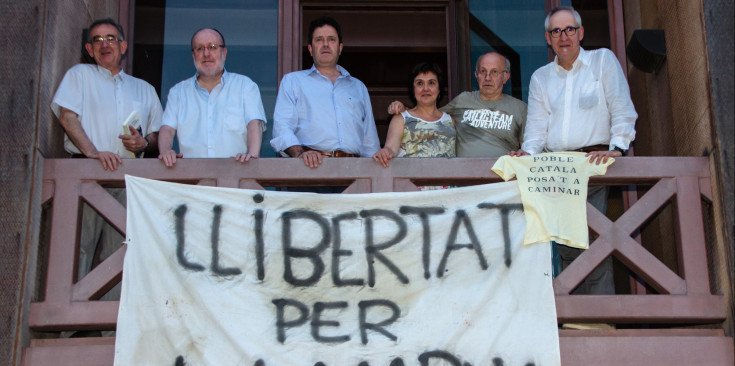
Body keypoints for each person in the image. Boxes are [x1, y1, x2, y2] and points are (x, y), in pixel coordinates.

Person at [510, 6, 638, 296]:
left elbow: (621, 106)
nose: (563, 36)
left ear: (580, 33)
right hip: (556, 170)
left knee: (595, 242)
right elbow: (537, 128)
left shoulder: (602, 60)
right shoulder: (541, 77)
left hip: (592, 164)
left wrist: (617, 147)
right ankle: (577, 321)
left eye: (569, 29)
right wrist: (527, 154)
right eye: (556, 31)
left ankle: (600, 321)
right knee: (567, 247)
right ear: (547, 38)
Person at [51, 18, 163, 297]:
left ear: (123, 46)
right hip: (87, 174)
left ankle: (110, 327)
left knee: (122, 250)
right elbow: (67, 117)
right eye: (97, 40)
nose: (104, 44)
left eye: (110, 38)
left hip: (128, 179)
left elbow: (158, 135)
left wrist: (142, 142)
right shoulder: (79, 75)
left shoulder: (144, 88)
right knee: (78, 246)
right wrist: (92, 152)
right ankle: (69, 328)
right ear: (89, 49)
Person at [270, 16, 380, 169]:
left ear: (340, 48)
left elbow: (370, 141)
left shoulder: (358, 87)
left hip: (355, 172)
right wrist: (301, 154)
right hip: (309, 169)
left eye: (331, 39)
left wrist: (374, 176)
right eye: (319, 40)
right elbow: (282, 127)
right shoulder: (293, 81)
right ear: (310, 49)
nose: (326, 44)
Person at [158, 28, 266, 167]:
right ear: (193, 55)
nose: (206, 54)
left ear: (224, 53)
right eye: (199, 48)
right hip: (192, 181)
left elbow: (254, 124)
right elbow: (167, 129)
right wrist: (166, 151)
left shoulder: (245, 86)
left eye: (213, 47)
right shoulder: (178, 93)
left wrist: (252, 157)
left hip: (236, 178)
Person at [388, 52, 526, 158]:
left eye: (494, 72)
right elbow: (428, 115)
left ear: (505, 77)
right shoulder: (463, 100)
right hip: (463, 179)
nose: (488, 77)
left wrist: (522, 153)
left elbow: (530, 147)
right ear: (476, 75)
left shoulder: (520, 108)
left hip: (501, 181)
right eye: (483, 72)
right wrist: (403, 109)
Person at [373, 63, 455, 190]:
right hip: (411, 190)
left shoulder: (450, 120)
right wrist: (385, 152)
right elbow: (390, 147)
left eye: (432, 83)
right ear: (413, 89)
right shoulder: (401, 118)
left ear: (439, 89)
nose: (426, 88)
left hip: (447, 192)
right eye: (420, 83)